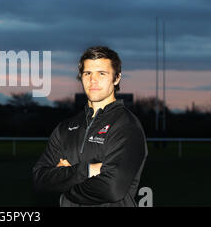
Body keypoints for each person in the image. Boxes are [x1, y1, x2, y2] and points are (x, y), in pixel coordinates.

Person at [32, 46, 148, 207]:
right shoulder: (65, 128)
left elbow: (112, 188)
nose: (93, 80)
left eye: (102, 73)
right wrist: (87, 171)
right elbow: (39, 180)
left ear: (117, 78)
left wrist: (64, 185)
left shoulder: (127, 126)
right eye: (87, 73)